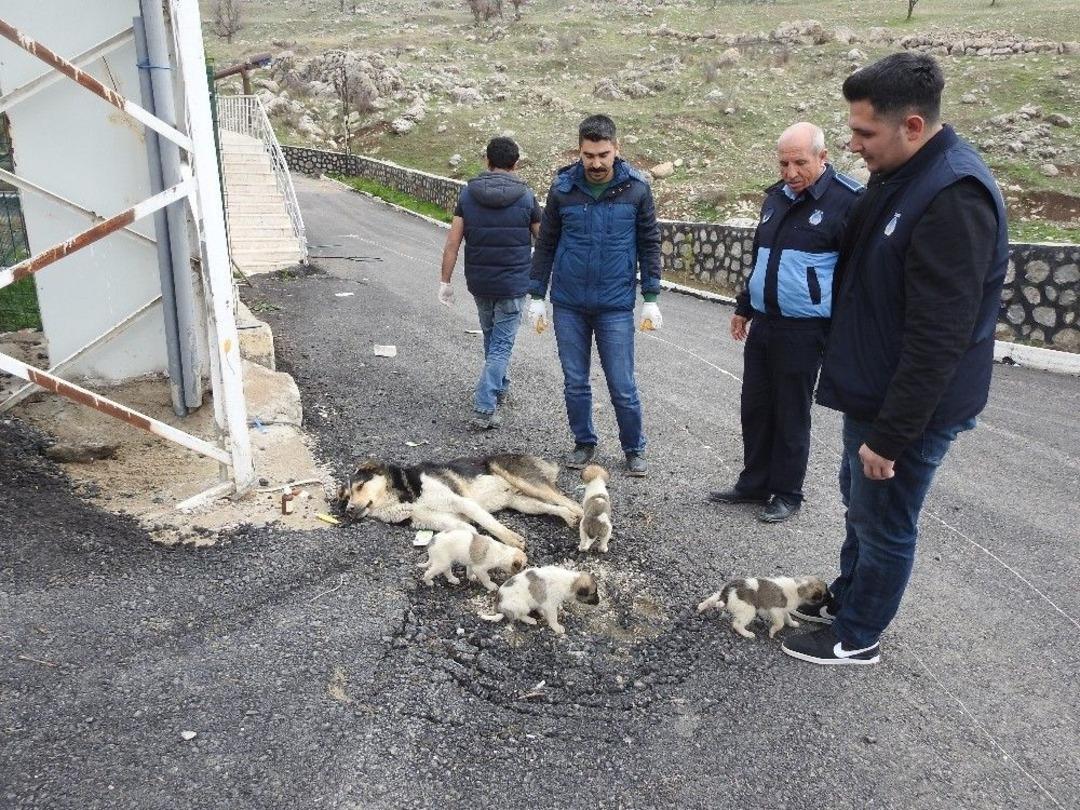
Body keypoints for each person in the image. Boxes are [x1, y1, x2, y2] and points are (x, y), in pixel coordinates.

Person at [782, 53, 1008, 666]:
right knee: (860, 504)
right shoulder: (901, 176)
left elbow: (941, 337)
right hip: (875, 392)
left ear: (912, 124)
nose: (853, 146)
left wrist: (892, 436)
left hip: (908, 409)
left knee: (885, 519)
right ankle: (851, 595)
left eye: (863, 133)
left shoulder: (954, 198)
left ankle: (857, 635)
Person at [708, 122, 862, 523]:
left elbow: (854, 276)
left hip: (805, 329)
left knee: (791, 411)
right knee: (755, 407)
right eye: (783, 163)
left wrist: (840, 332)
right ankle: (754, 482)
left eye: (800, 162)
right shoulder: (774, 198)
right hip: (765, 323)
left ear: (822, 157)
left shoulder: (847, 202)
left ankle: (787, 492)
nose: (790, 172)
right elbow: (762, 259)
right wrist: (745, 305)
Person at [528, 114, 662, 477]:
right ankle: (584, 442)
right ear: (580, 151)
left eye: (603, 154)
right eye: (589, 155)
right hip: (568, 304)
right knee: (575, 380)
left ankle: (634, 448)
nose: (596, 163)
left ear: (616, 149)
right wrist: (536, 294)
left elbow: (650, 243)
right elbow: (547, 243)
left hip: (615, 306)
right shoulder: (563, 188)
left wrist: (651, 295)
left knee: (622, 384)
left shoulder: (637, 189)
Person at [439, 136, 542, 429]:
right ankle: (484, 407)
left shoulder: (468, 195)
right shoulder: (526, 196)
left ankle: (500, 385)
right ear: (516, 164)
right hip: (513, 284)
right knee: (501, 345)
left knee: (490, 336)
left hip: (480, 283)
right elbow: (544, 239)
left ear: (487, 161)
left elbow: (452, 243)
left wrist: (444, 281)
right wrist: (541, 285)